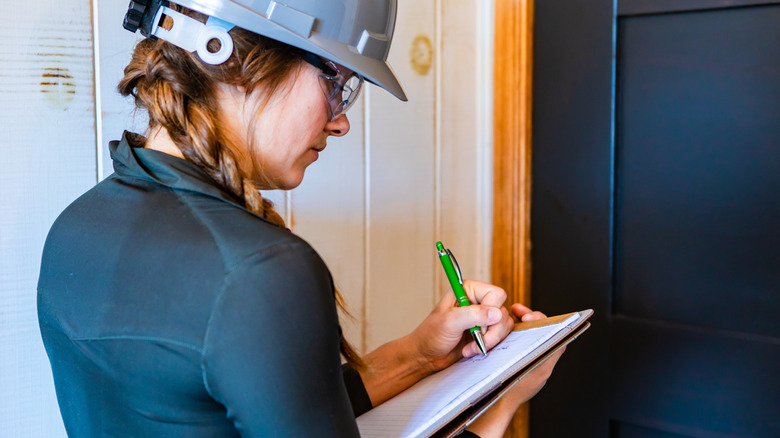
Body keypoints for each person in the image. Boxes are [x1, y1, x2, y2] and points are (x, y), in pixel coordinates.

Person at [37, 1, 563, 436]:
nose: (339, 123)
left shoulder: (76, 228)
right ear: (235, 62)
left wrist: (421, 354)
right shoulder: (258, 270)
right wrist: (502, 402)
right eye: (337, 84)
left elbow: (267, 410)